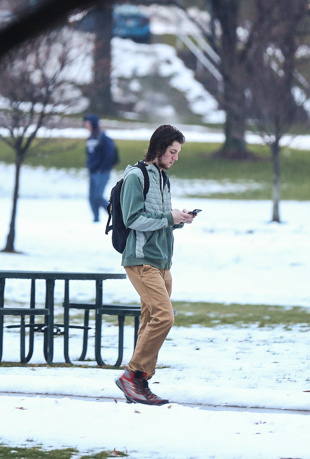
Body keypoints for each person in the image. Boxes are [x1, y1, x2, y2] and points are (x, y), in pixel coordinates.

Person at [114, 124, 197, 406]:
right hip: (141, 260)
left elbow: (161, 220)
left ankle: (140, 384)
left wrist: (178, 219)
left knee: (150, 321)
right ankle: (131, 376)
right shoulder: (136, 177)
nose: (175, 157)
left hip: (162, 262)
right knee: (164, 317)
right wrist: (168, 218)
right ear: (159, 148)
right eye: (172, 152)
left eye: (177, 153)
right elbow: (133, 219)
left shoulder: (162, 178)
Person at [83, 114, 119, 222]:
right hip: (92, 171)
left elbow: (110, 154)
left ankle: (115, 214)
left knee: (98, 195)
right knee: (91, 196)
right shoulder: (90, 138)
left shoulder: (103, 138)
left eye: (88, 122)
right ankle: (96, 218)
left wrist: (102, 167)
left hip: (102, 171)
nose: (86, 125)